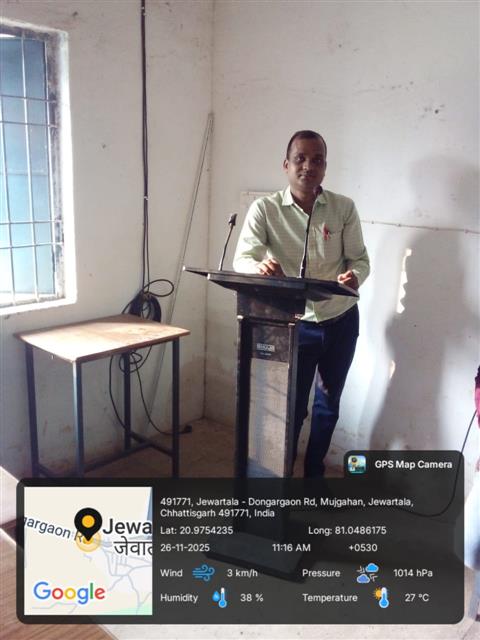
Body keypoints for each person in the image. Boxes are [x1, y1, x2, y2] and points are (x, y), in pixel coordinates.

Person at [233, 130, 370, 477]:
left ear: (325, 167)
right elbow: (242, 258)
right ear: (286, 165)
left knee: (328, 405)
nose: (308, 166)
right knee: (291, 409)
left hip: (341, 320)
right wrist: (259, 267)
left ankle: (313, 475)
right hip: (295, 324)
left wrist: (354, 276)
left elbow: (360, 260)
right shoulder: (265, 209)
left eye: (317, 160)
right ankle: (281, 476)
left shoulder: (343, 208)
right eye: (300, 159)